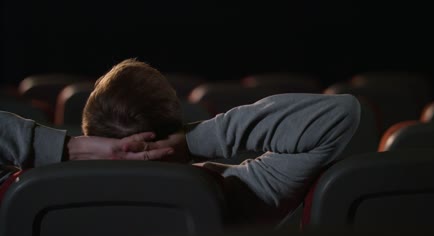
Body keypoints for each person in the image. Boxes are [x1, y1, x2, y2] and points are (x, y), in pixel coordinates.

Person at [0, 59, 360, 226]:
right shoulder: (236, 196)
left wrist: (65, 150)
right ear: (176, 126)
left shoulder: (19, 198)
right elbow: (341, 114)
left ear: (90, 134)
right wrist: (192, 142)